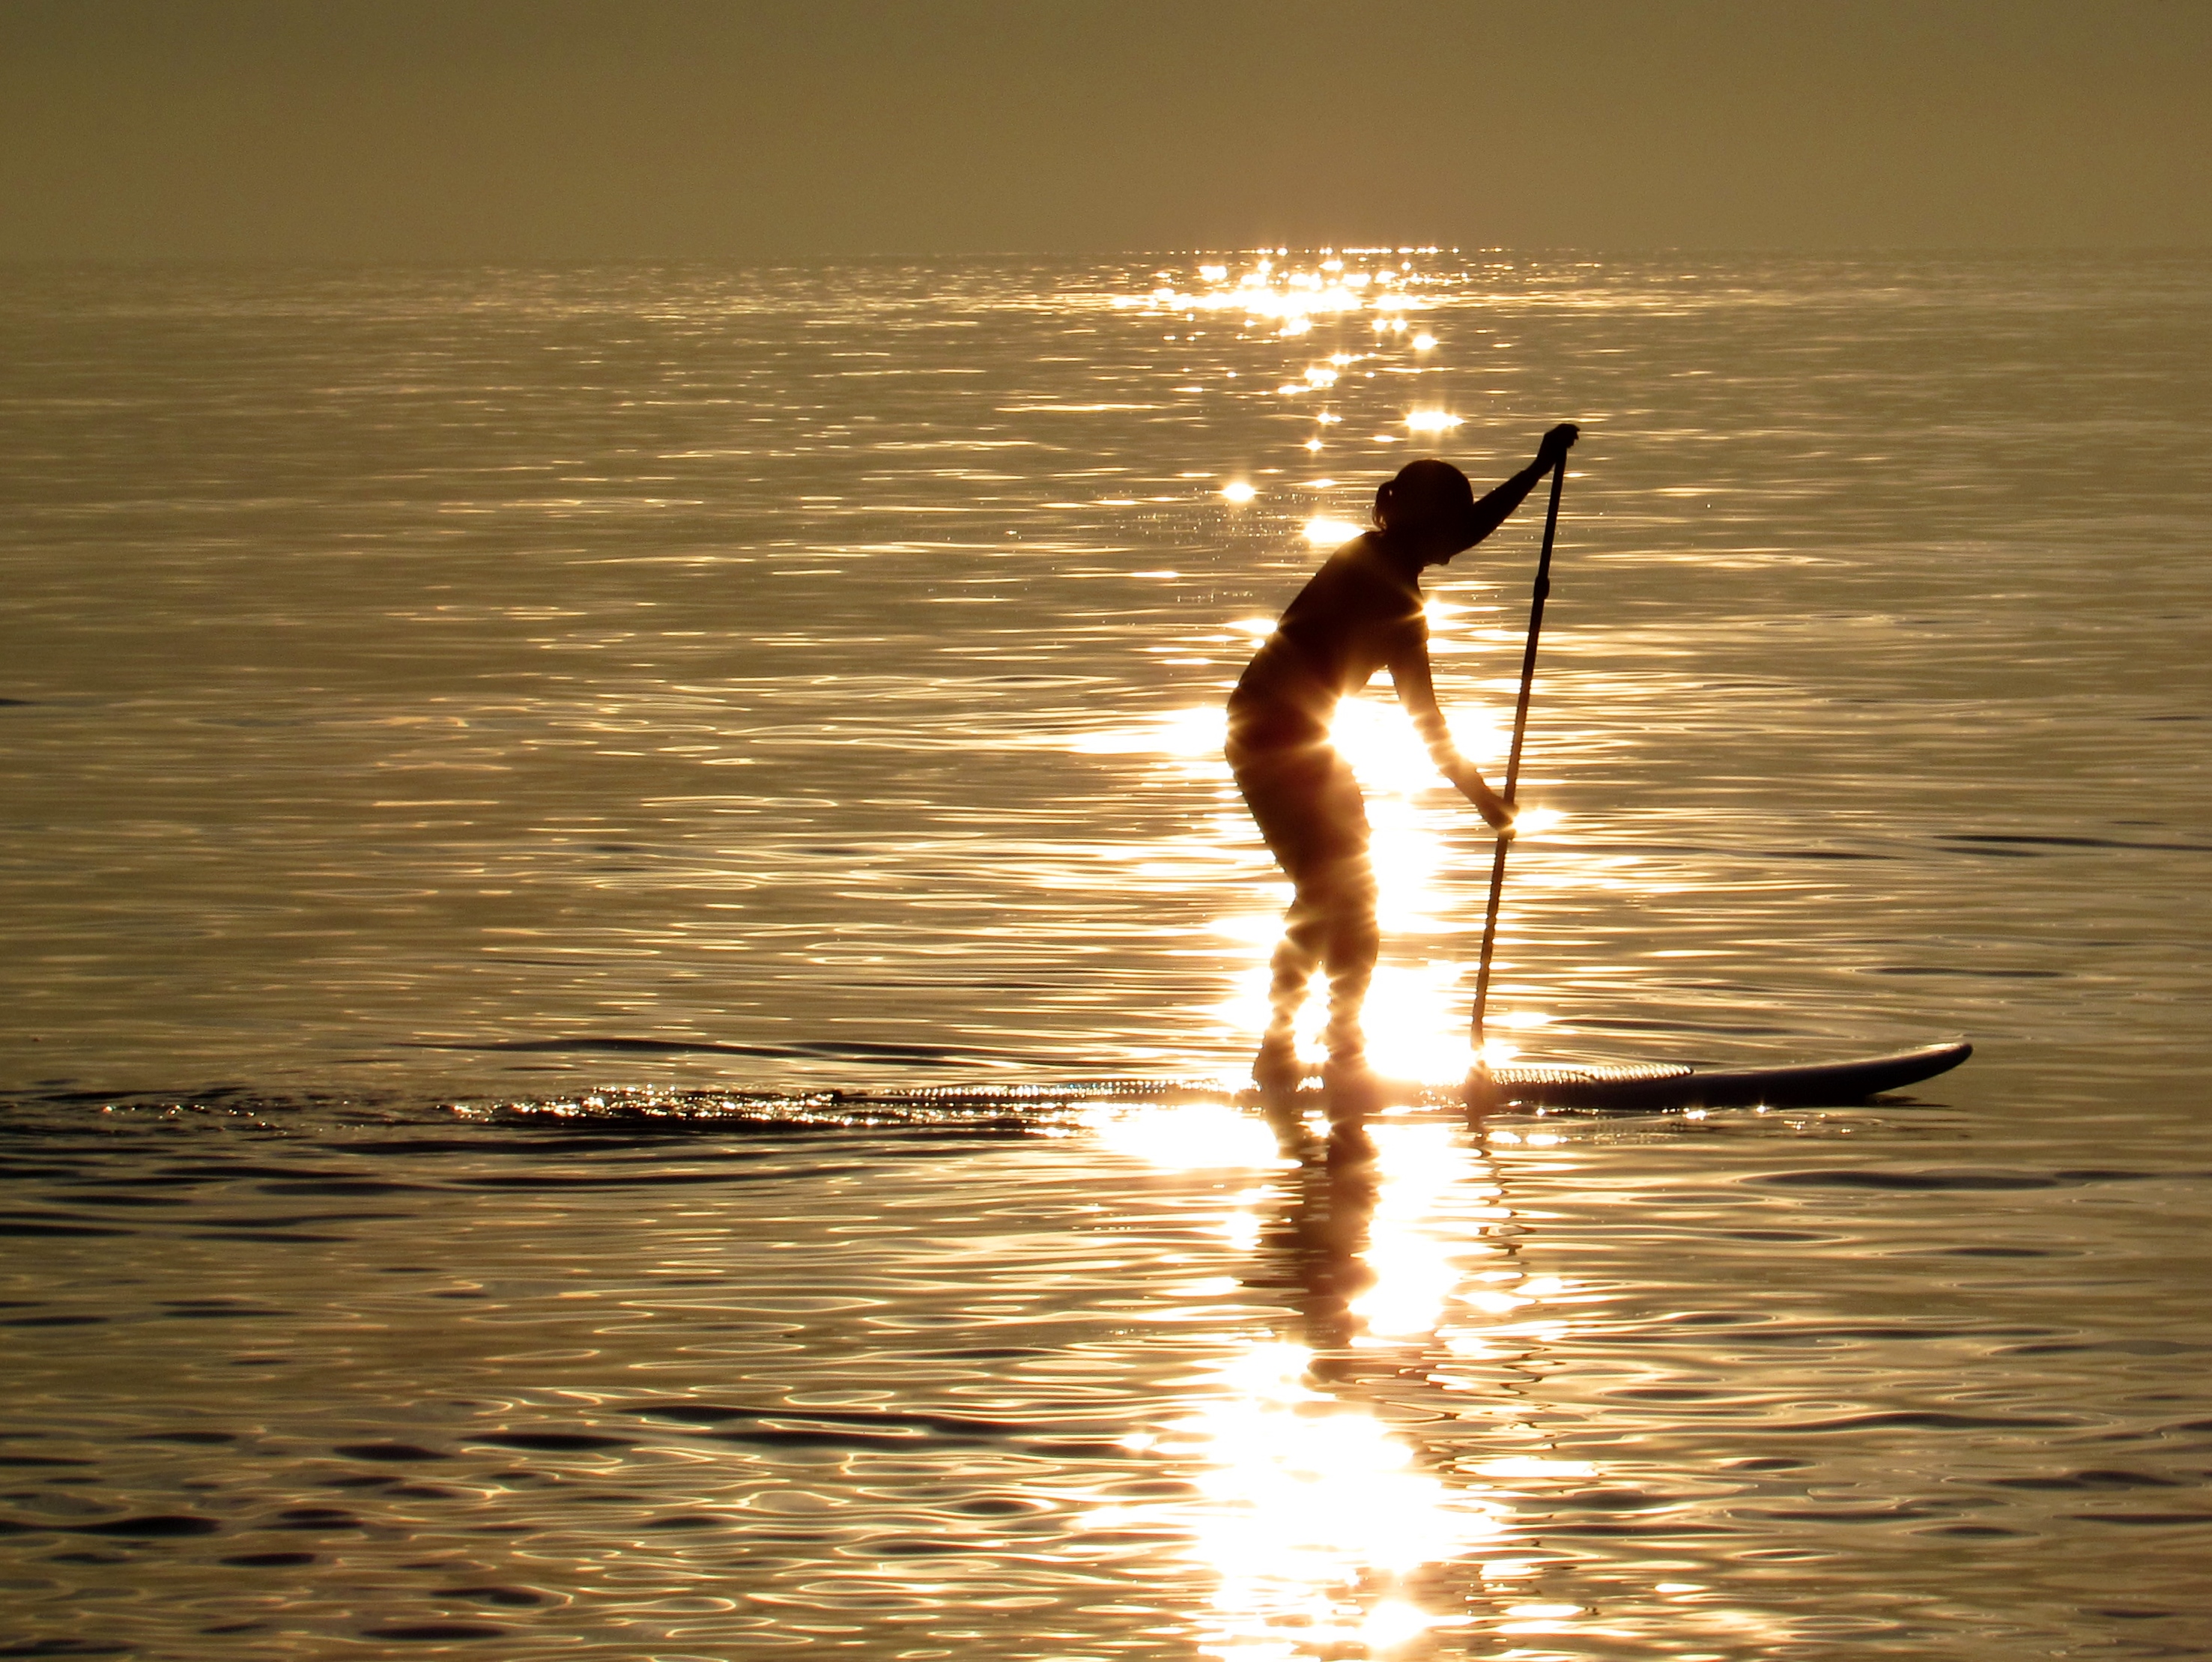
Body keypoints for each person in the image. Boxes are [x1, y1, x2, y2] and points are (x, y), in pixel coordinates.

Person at [1226, 424, 1579, 1107]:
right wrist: (1484, 801)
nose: (1461, 540)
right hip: (1276, 737)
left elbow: (1465, 529)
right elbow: (1426, 723)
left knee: (1340, 897)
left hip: (1290, 736)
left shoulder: (1377, 555)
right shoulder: (1387, 592)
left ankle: (1310, 1054)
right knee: (1337, 896)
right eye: (1449, 524)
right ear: (1426, 523)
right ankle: (1319, 1057)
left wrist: (1537, 470)